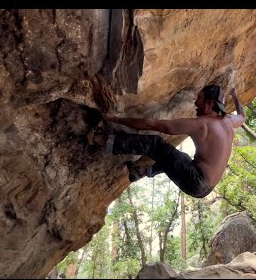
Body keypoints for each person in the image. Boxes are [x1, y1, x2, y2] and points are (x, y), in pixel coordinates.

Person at [97, 84, 246, 198]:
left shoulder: (202, 124)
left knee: (155, 144)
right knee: (181, 158)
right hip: (205, 186)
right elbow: (242, 116)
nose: (195, 104)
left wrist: (117, 120)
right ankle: (143, 171)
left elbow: (157, 125)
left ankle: (105, 141)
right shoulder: (230, 121)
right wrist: (235, 96)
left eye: (199, 99)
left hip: (195, 181)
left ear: (209, 103)